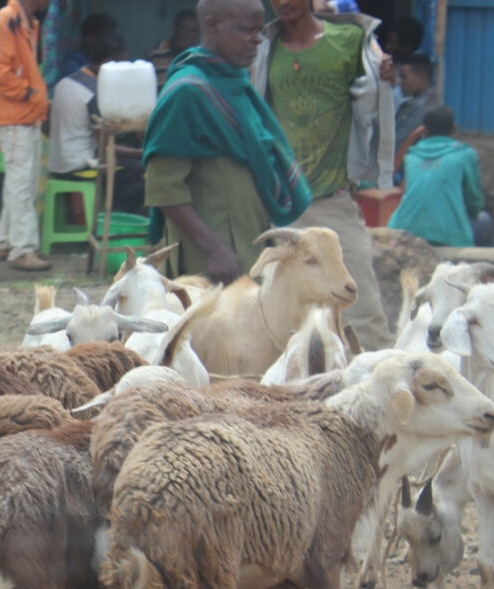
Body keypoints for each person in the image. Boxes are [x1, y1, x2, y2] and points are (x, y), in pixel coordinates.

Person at [253, 0, 397, 348]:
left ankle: (373, 377)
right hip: (280, 203)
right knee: (277, 314)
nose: (283, 2)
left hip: (333, 200)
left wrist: (386, 77)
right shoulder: (262, 48)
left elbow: (374, 90)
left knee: (361, 310)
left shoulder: (349, 40)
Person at [144, 0, 312, 281]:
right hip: (212, 258)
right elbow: (163, 189)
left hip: (252, 241)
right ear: (212, 25)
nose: (257, 40)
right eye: (246, 30)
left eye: (259, 31)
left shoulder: (237, 84)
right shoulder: (187, 92)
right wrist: (215, 250)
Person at [0, 0, 51, 271]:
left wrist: (30, 97)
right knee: (22, 184)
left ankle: (6, 242)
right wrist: (26, 93)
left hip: (25, 114)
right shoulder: (7, 19)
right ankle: (21, 250)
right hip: (14, 114)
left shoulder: (24, 22)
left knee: (23, 182)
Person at [48, 31, 144, 213]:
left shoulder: (67, 80)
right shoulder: (95, 92)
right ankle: (119, 223)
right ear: (110, 62)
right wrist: (140, 153)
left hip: (57, 163)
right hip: (78, 167)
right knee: (138, 171)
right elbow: (105, 147)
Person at [389, 106, 491, 248]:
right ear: (454, 128)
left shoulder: (412, 155)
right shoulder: (465, 154)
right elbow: (473, 201)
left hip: (402, 230)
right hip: (447, 235)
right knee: (485, 220)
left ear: (425, 130)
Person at [394, 53, 439, 149]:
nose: (400, 83)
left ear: (421, 77)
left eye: (403, 77)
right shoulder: (431, 100)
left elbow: (399, 144)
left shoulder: (420, 107)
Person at [58, 13, 117, 81]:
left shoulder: (114, 60)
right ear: (90, 39)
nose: (111, 42)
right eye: (106, 38)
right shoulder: (73, 65)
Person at [148, 9, 200, 85]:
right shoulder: (156, 54)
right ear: (175, 28)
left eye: (193, 30)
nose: (187, 34)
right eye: (183, 28)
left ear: (198, 33)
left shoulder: (199, 58)